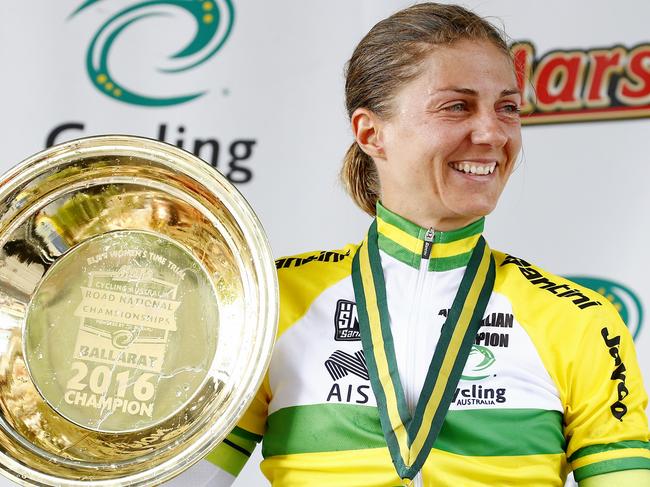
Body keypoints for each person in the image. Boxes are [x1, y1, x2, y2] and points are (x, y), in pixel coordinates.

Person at [177, 3, 650, 486]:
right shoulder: (268, 303)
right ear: (371, 132)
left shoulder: (578, 320)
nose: (491, 132)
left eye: (507, 107)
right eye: (457, 106)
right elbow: (185, 480)